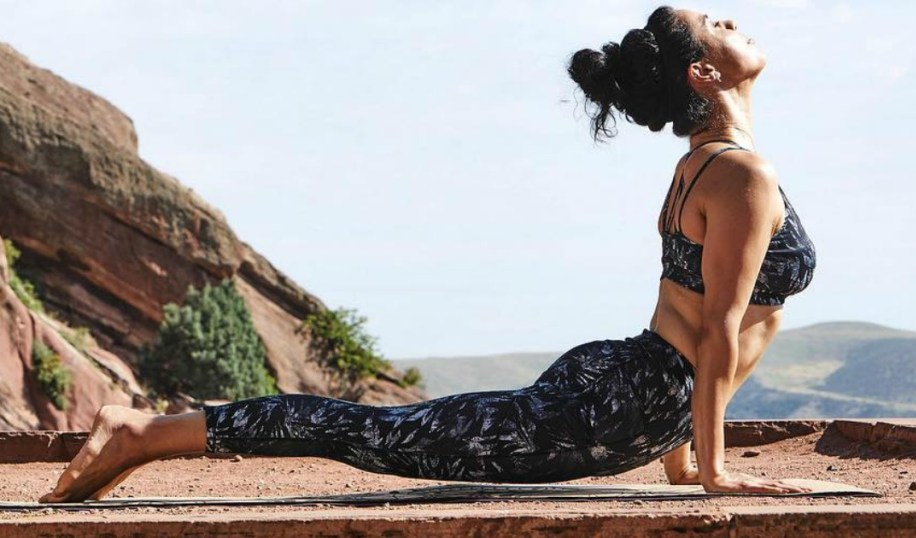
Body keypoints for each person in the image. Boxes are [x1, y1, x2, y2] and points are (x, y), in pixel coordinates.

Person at [39, 5, 816, 503]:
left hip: (631, 394)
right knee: (366, 433)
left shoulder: (708, 169)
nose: (735, 19)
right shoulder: (739, 174)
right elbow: (716, 329)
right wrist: (712, 474)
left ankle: (144, 431)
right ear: (703, 72)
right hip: (614, 405)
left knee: (373, 432)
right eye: (717, 22)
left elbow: (717, 328)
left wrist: (681, 459)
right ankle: (141, 431)